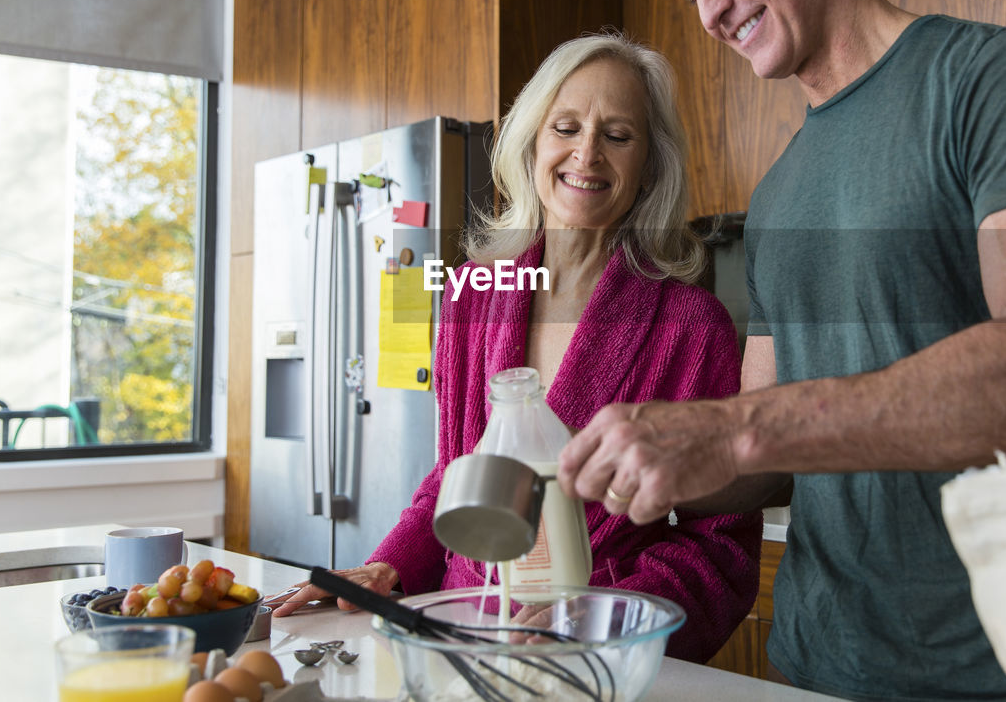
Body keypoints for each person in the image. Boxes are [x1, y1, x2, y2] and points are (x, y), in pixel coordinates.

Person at [556, 0, 1006, 700]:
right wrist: (617, 465)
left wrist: (731, 430)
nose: (710, 12)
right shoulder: (780, 190)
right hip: (817, 665)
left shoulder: (1001, 80)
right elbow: (769, 455)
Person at [272, 32, 763, 664]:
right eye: (565, 127)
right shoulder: (474, 297)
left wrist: (609, 616)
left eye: (618, 135)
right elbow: (456, 475)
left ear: (648, 167)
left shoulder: (691, 327)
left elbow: (719, 545)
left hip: (594, 659)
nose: (587, 153)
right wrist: (387, 566)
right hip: (457, 645)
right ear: (533, 141)